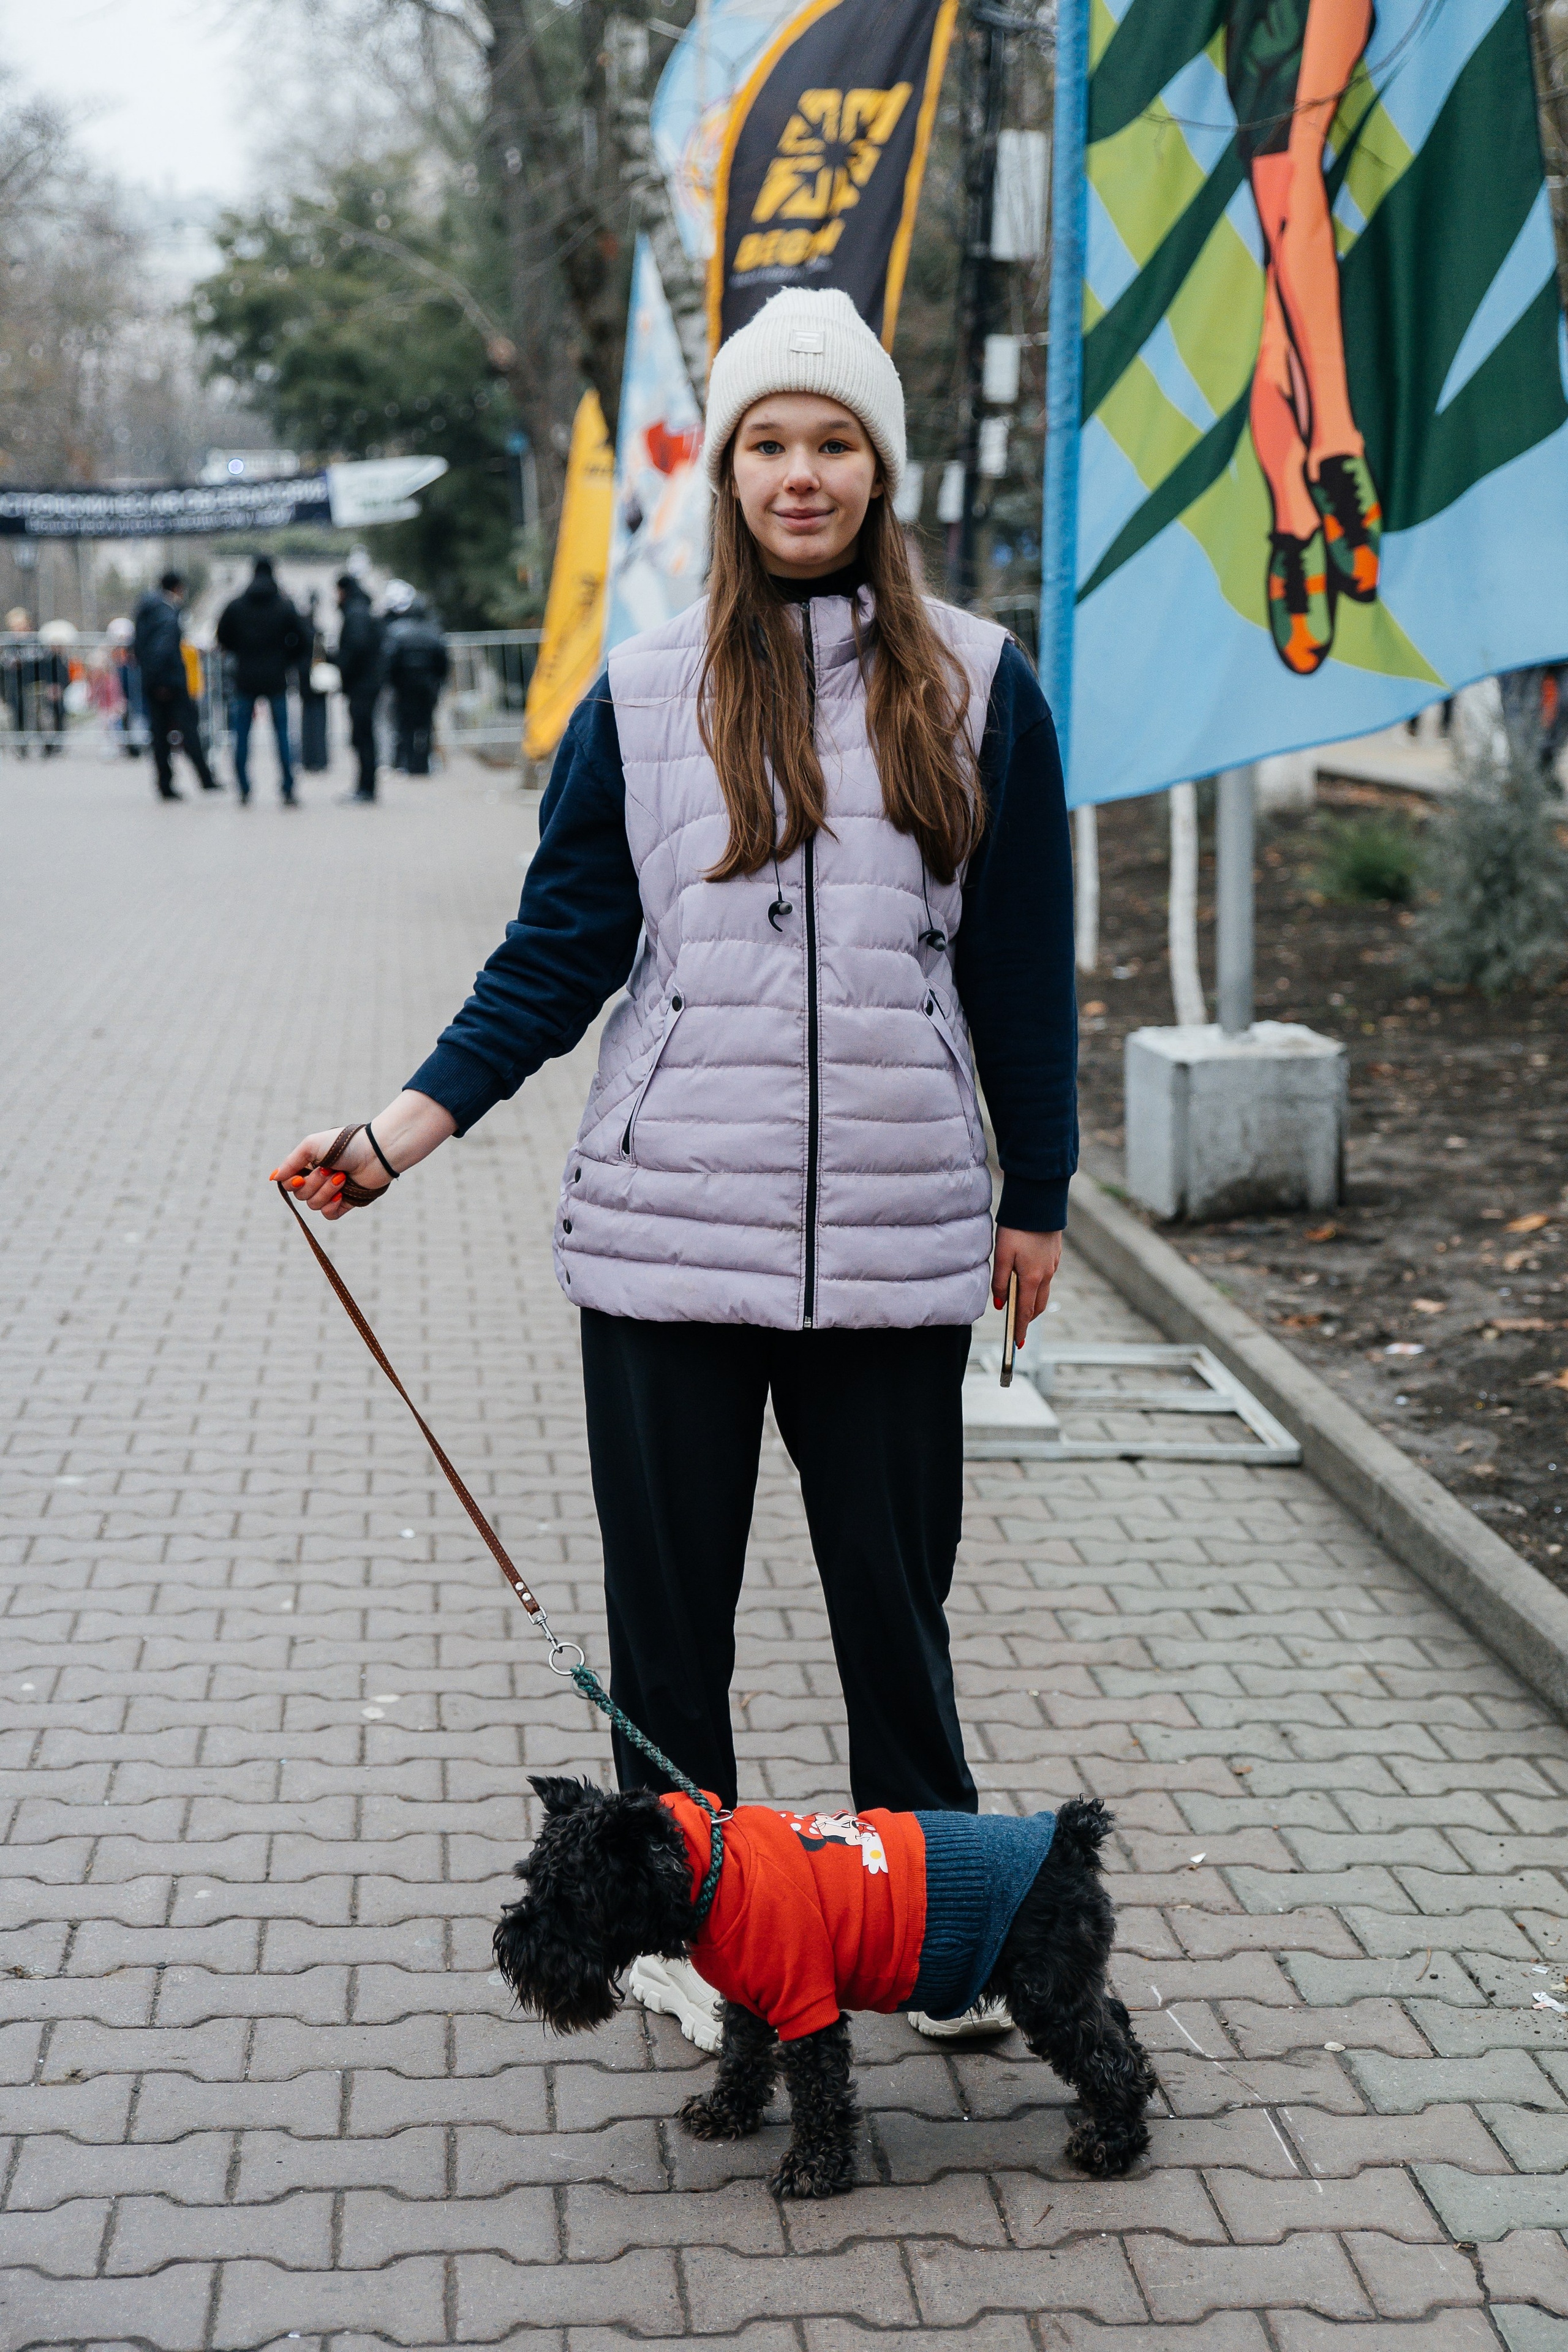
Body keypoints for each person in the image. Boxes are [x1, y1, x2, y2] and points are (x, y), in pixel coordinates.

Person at [274, 288, 1077, 2048]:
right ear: (726, 476)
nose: (802, 474)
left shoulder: (981, 677)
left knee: (895, 1615)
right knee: (670, 1634)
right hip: (661, 1247)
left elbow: (1020, 962)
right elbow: (557, 953)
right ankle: (690, 1936)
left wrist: (1040, 1196)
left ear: (881, 468)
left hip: (894, 1236)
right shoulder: (640, 695)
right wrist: (396, 1136)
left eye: (834, 442)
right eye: (769, 445)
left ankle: (937, 1928)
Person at [216, 555, 306, 804]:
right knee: (283, 735)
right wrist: (287, 659)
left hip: (245, 676)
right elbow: (303, 638)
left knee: (241, 735)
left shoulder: (237, 605)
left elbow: (222, 635)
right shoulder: (284, 606)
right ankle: (288, 787)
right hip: (276, 676)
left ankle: (243, 787)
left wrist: (239, 651)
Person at [132, 572, 218, 800]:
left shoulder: (145, 609)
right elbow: (163, 648)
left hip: (153, 681)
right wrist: (164, 680)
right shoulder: (166, 613)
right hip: (169, 682)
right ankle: (205, 779)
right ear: (177, 589)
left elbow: (140, 647)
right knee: (189, 730)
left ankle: (165, 784)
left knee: (159, 735)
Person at [382, 592, 448, 775]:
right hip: (427, 687)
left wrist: (394, 683)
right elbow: (443, 662)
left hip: (404, 688)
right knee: (425, 726)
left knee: (404, 726)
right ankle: (422, 765)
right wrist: (437, 682)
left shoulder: (398, 631)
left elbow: (391, 661)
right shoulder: (434, 633)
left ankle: (405, 762)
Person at [334, 572, 383, 802]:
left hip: (362, 685)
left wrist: (342, 667)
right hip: (366, 683)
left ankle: (366, 788)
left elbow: (356, 649)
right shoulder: (361, 610)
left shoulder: (356, 613)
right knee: (363, 736)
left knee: (363, 737)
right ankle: (365, 786)